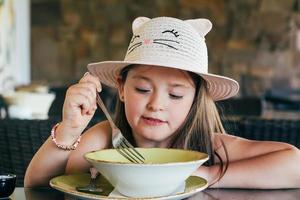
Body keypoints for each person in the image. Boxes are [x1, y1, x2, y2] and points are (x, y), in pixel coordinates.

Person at [24, 16, 300, 188]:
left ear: (194, 100)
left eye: (176, 95)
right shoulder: (104, 138)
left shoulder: (208, 146)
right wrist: (69, 130)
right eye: (143, 89)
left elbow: (294, 165)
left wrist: (206, 175)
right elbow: (36, 184)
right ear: (121, 88)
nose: (157, 104)